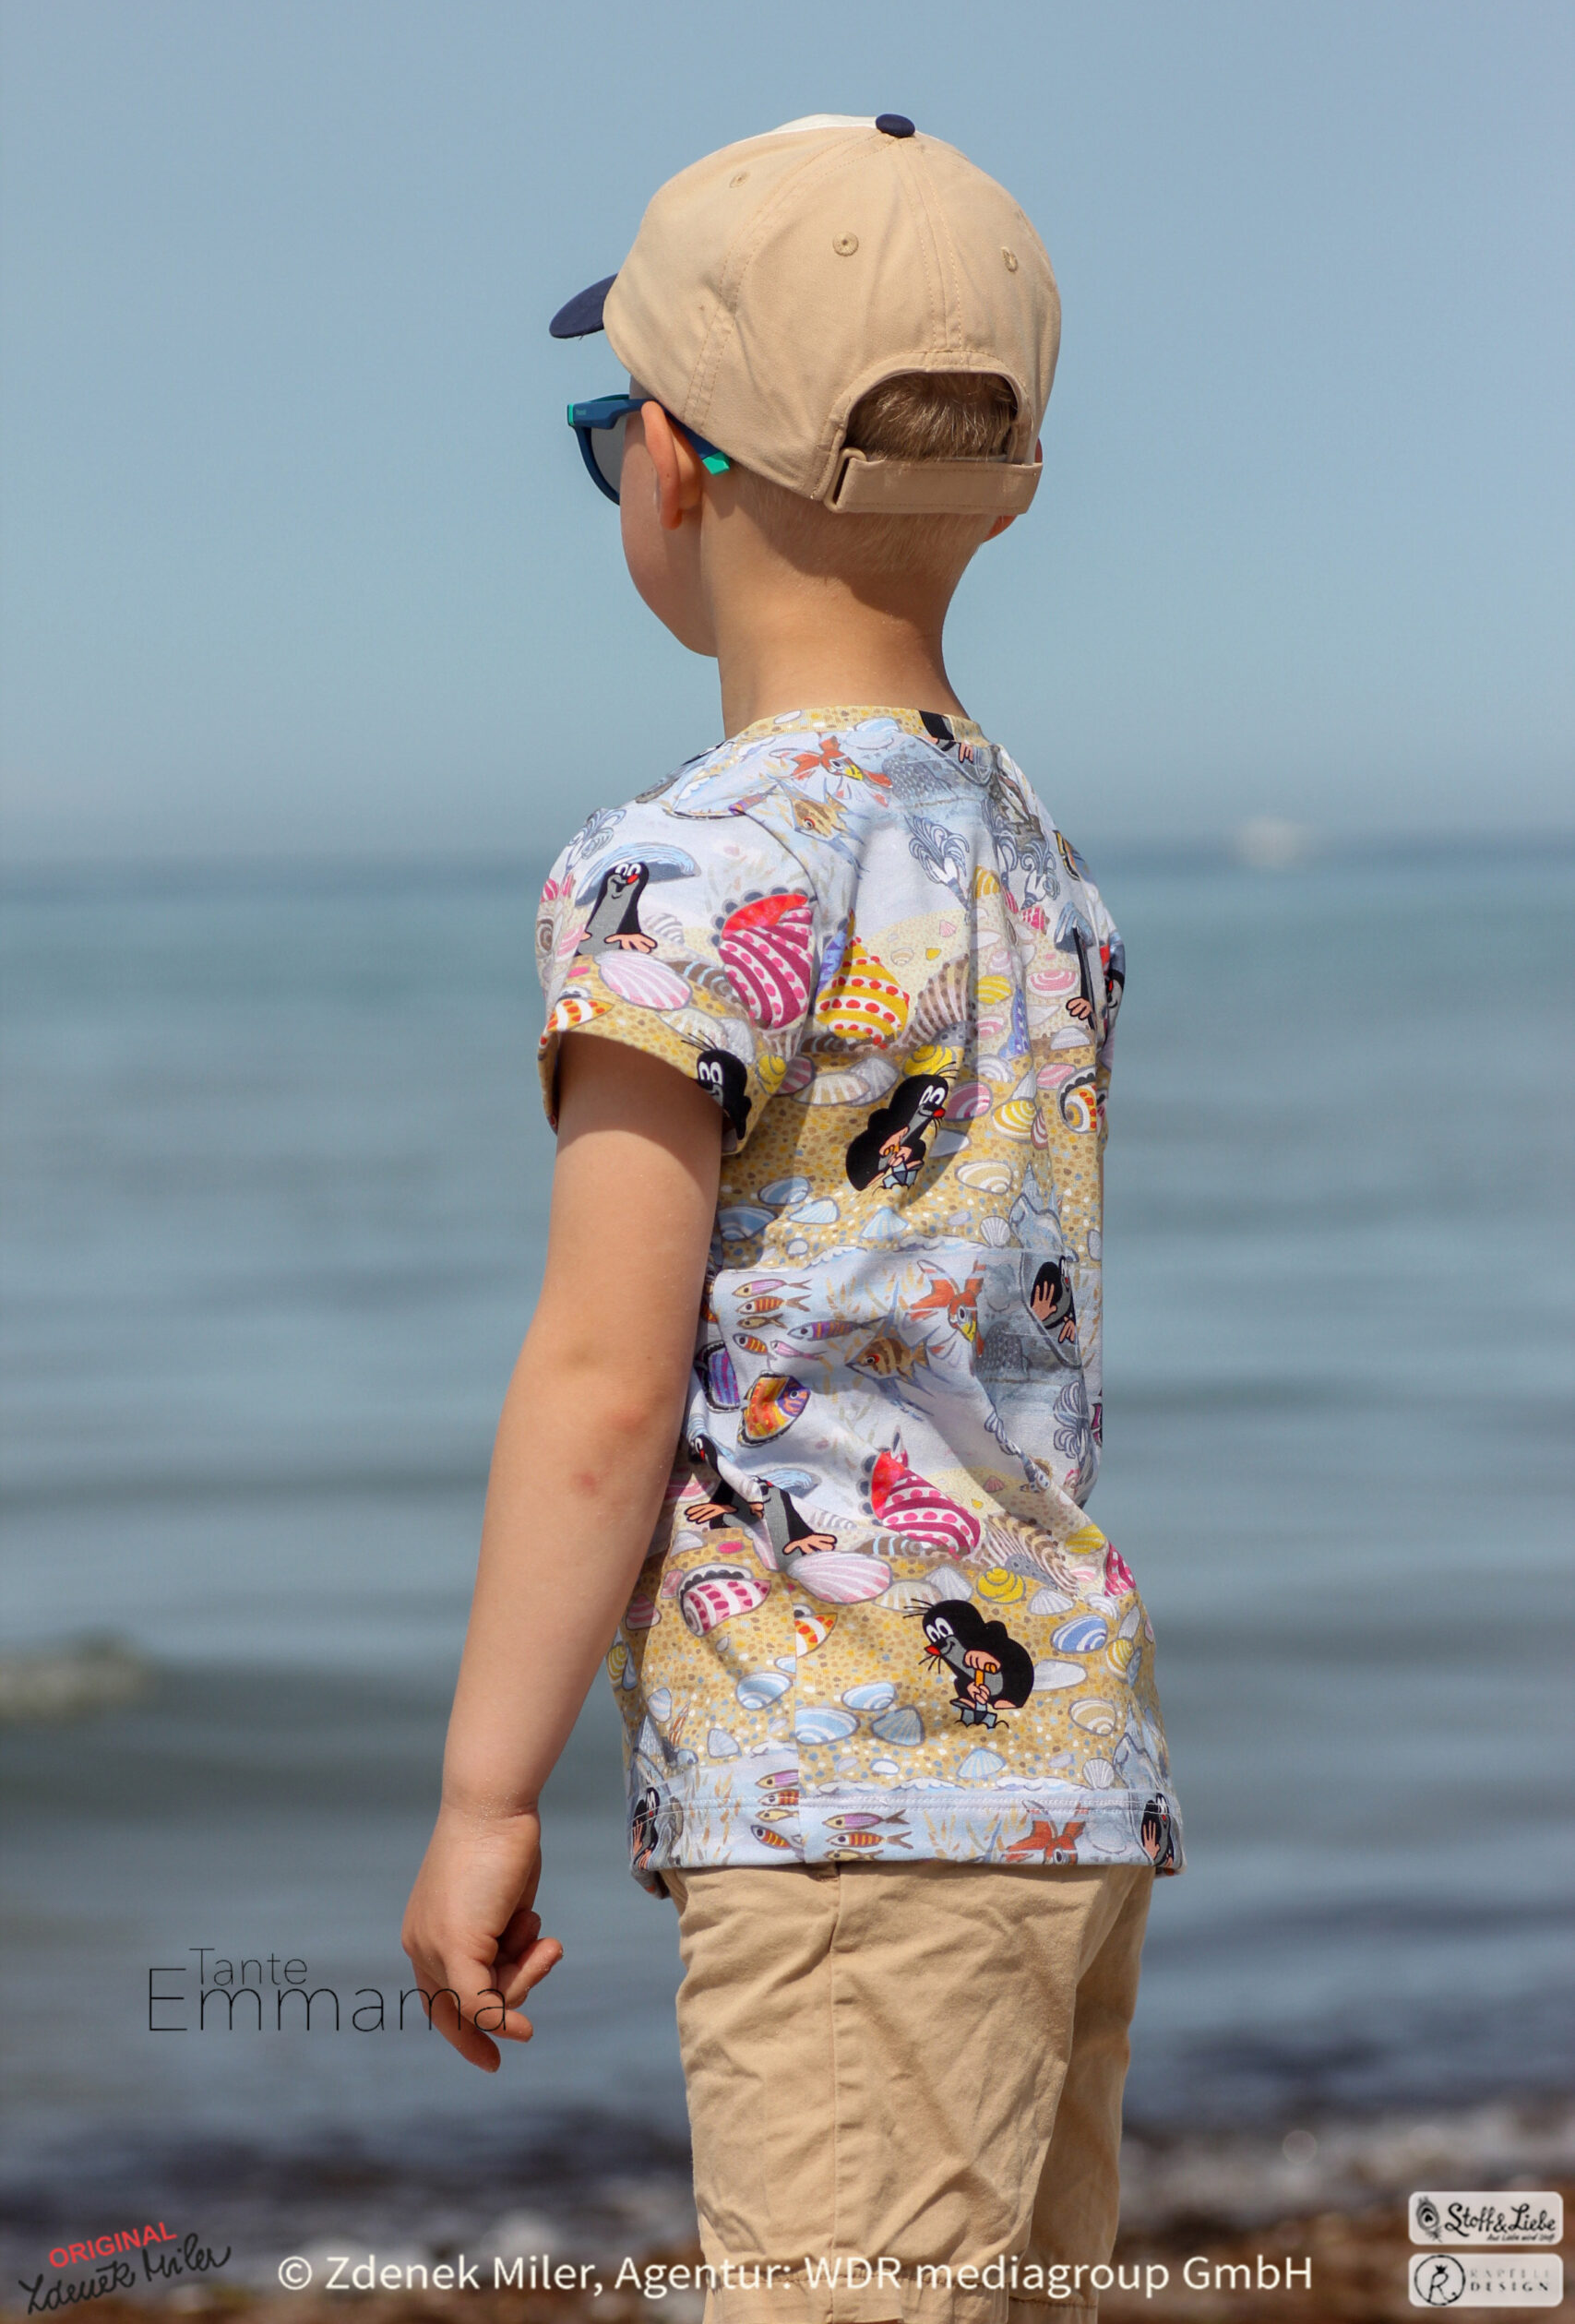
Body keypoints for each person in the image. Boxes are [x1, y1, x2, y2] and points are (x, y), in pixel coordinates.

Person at [404, 113, 1185, 2324]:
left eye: (608, 431)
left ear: (668, 465)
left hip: (843, 1813)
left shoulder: (680, 875)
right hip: (1063, 1775)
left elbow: (600, 1373)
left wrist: (481, 1792)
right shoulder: (1026, 852)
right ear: (1006, 485)